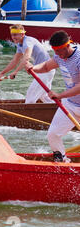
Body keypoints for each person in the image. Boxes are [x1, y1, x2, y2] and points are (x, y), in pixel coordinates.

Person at [26, 30, 80, 162]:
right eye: (55, 51)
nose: (57, 55)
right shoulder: (59, 56)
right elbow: (45, 67)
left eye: (59, 51)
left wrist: (60, 95)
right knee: (53, 134)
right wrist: (33, 68)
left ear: (68, 45)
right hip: (70, 105)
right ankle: (62, 162)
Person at [0, 24, 55, 104]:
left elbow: (27, 57)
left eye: (15, 35)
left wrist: (16, 72)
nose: (13, 37)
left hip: (46, 70)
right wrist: (2, 73)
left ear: (22, 34)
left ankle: (28, 113)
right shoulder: (20, 44)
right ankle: (56, 110)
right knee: (44, 96)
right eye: (12, 35)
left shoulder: (28, 42)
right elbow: (15, 61)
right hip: (43, 70)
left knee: (30, 97)